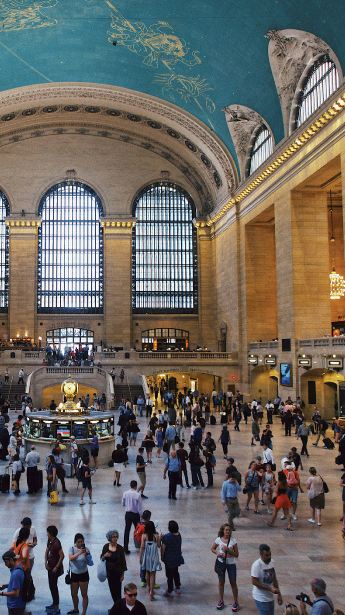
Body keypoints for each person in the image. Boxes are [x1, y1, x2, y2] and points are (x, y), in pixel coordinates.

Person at [211, 523, 239, 612]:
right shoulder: (218, 540)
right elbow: (213, 548)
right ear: (223, 531)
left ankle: (236, 601)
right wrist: (217, 553)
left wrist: (229, 550)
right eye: (226, 530)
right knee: (221, 582)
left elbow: (236, 554)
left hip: (231, 564)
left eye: (229, 530)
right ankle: (221, 600)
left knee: (233, 583)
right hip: (221, 563)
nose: (228, 532)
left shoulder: (233, 541)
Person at [251, 544, 282, 615]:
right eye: (266, 555)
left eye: (270, 554)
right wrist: (270, 588)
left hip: (270, 597)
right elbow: (254, 582)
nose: (269, 557)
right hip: (261, 598)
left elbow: (274, 578)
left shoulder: (272, 562)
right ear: (261, 555)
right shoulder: (257, 565)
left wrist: (279, 595)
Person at [101, 530, 127, 608]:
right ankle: (117, 606)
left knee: (118, 591)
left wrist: (122, 575)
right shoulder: (106, 547)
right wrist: (105, 556)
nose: (115, 538)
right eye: (113, 537)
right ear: (110, 538)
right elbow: (101, 558)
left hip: (117, 572)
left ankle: (118, 607)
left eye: (116, 537)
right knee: (112, 590)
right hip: (109, 573)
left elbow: (123, 562)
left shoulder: (120, 548)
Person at [68, 533, 92, 615]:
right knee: (74, 593)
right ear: (75, 542)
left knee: (84, 594)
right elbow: (71, 558)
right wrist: (79, 553)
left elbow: (89, 563)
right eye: (78, 542)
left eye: (81, 542)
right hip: (74, 573)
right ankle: (75, 609)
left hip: (83, 573)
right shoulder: (71, 549)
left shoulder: (87, 549)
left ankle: (83, 612)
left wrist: (86, 555)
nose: (80, 543)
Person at [139, 521, 161, 601]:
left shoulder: (144, 536)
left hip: (146, 557)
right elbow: (159, 546)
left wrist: (140, 557)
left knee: (147, 572)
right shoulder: (156, 536)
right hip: (154, 557)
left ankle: (148, 587)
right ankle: (151, 591)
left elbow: (142, 547)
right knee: (153, 574)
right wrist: (160, 538)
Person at [45, 525, 64, 615]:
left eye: (48, 532)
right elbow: (47, 551)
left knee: (53, 587)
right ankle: (54, 603)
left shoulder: (56, 543)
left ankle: (56, 608)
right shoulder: (50, 541)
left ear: (51, 533)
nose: (47, 534)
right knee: (51, 586)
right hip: (50, 566)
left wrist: (57, 567)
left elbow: (62, 555)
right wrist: (45, 562)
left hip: (54, 568)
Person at [161, 520, 182, 598]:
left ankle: (170, 590)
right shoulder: (179, 535)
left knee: (169, 575)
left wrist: (162, 557)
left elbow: (163, 548)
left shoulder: (167, 537)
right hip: (176, 557)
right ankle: (178, 586)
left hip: (169, 559)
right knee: (176, 572)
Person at [1, 550, 26, 615]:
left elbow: (15, 593)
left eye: (6, 562)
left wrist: (2, 593)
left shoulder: (16, 574)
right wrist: (5, 586)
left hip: (15, 606)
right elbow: (17, 584)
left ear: (11, 560)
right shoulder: (18, 568)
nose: (5, 564)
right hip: (18, 605)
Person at [122, 480, 143, 554]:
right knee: (138, 530)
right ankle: (139, 545)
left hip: (128, 514)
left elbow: (123, 503)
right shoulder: (137, 495)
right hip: (135, 514)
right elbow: (139, 507)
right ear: (136, 486)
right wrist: (141, 516)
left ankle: (125, 547)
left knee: (127, 530)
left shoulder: (125, 493)